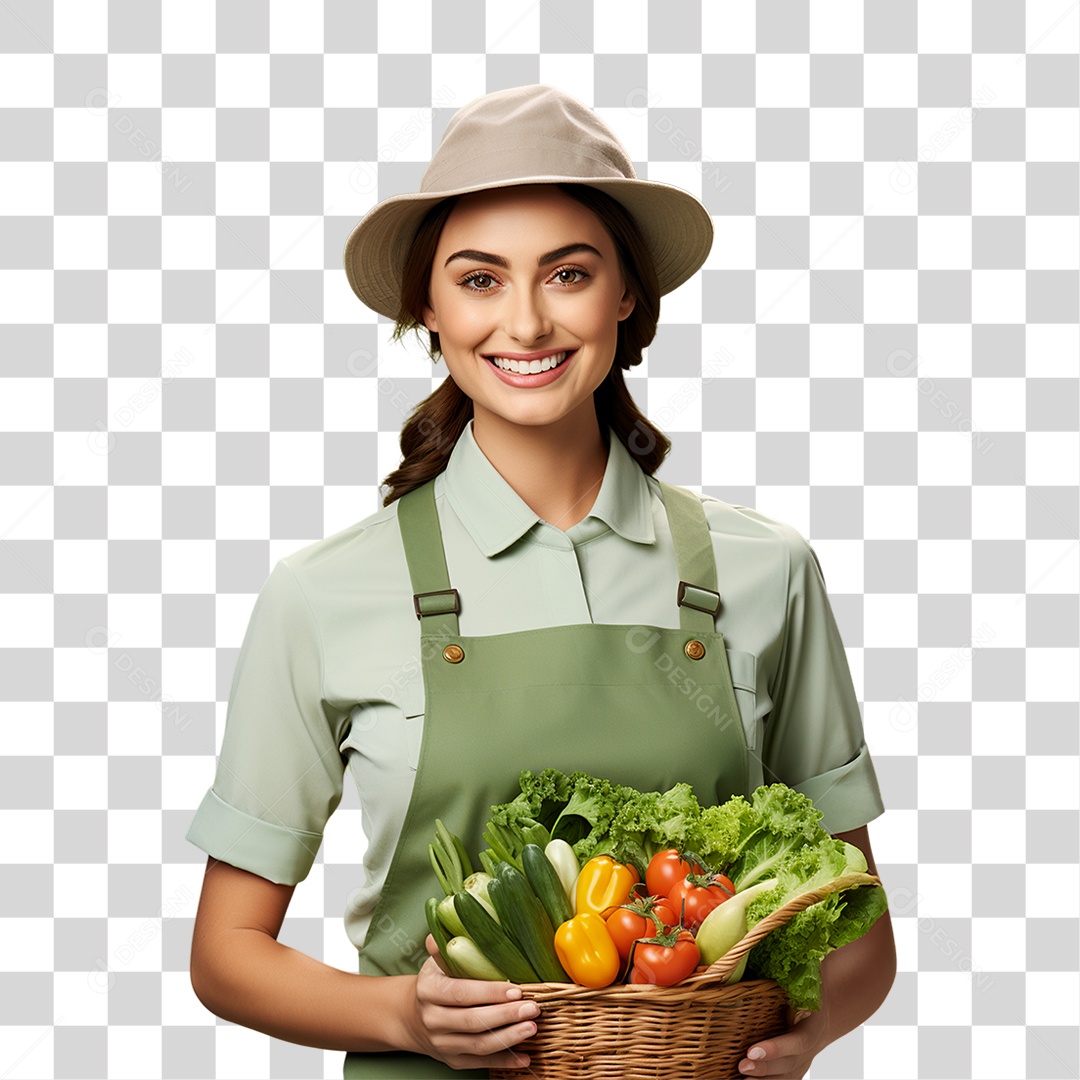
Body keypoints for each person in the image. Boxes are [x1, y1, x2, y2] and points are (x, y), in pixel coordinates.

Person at [186, 84, 896, 1079]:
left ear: (625, 295)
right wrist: (404, 1017)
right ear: (428, 309)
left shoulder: (764, 570)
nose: (525, 323)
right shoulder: (324, 593)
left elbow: (855, 918)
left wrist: (809, 1032)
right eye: (480, 280)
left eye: (568, 274)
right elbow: (226, 953)